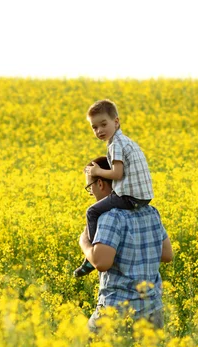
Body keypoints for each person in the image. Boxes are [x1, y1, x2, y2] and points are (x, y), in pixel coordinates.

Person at [78, 156, 173, 332]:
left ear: (100, 184)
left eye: (89, 188)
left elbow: (101, 263)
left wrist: (84, 243)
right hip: (152, 310)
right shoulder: (151, 212)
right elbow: (167, 255)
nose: (91, 194)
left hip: (117, 311)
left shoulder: (110, 217)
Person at [73, 99, 154, 278]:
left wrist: (97, 171)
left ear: (116, 122)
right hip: (144, 198)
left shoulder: (115, 144)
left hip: (129, 197)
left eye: (103, 124)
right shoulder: (128, 142)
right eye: (94, 127)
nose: (99, 130)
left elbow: (117, 174)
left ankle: (91, 254)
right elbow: (167, 255)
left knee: (92, 212)